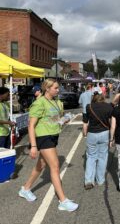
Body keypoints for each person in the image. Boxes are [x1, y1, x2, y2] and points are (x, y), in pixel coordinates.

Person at [18, 78, 78, 212]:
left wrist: (64, 119)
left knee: (41, 165)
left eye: (58, 88)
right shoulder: (39, 103)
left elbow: (54, 118)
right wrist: (33, 146)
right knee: (55, 167)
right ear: (47, 88)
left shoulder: (56, 102)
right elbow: (31, 125)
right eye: (56, 88)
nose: (58, 90)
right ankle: (63, 200)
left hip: (53, 135)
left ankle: (25, 189)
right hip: (43, 137)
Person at [83, 93, 113, 190]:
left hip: (92, 133)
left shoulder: (89, 107)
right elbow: (112, 122)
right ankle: (100, 179)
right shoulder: (108, 107)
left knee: (91, 157)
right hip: (104, 133)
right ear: (103, 99)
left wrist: (84, 133)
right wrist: (112, 136)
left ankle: (88, 180)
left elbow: (85, 122)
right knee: (103, 157)